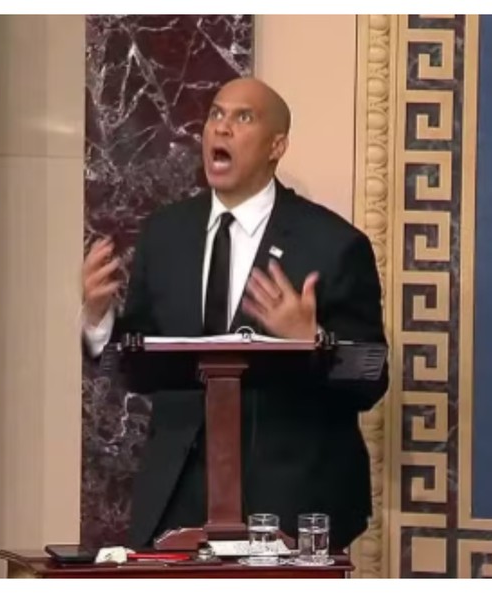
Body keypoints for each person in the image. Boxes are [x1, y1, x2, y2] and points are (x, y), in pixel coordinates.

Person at [81, 77, 388, 551]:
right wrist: (99, 321)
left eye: (243, 118)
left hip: (291, 503)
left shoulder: (333, 245)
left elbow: (371, 379)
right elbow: (139, 368)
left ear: (276, 146)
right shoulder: (165, 235)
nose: (221, 128)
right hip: (178, 503)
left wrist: (313, 340)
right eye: (216, 114)